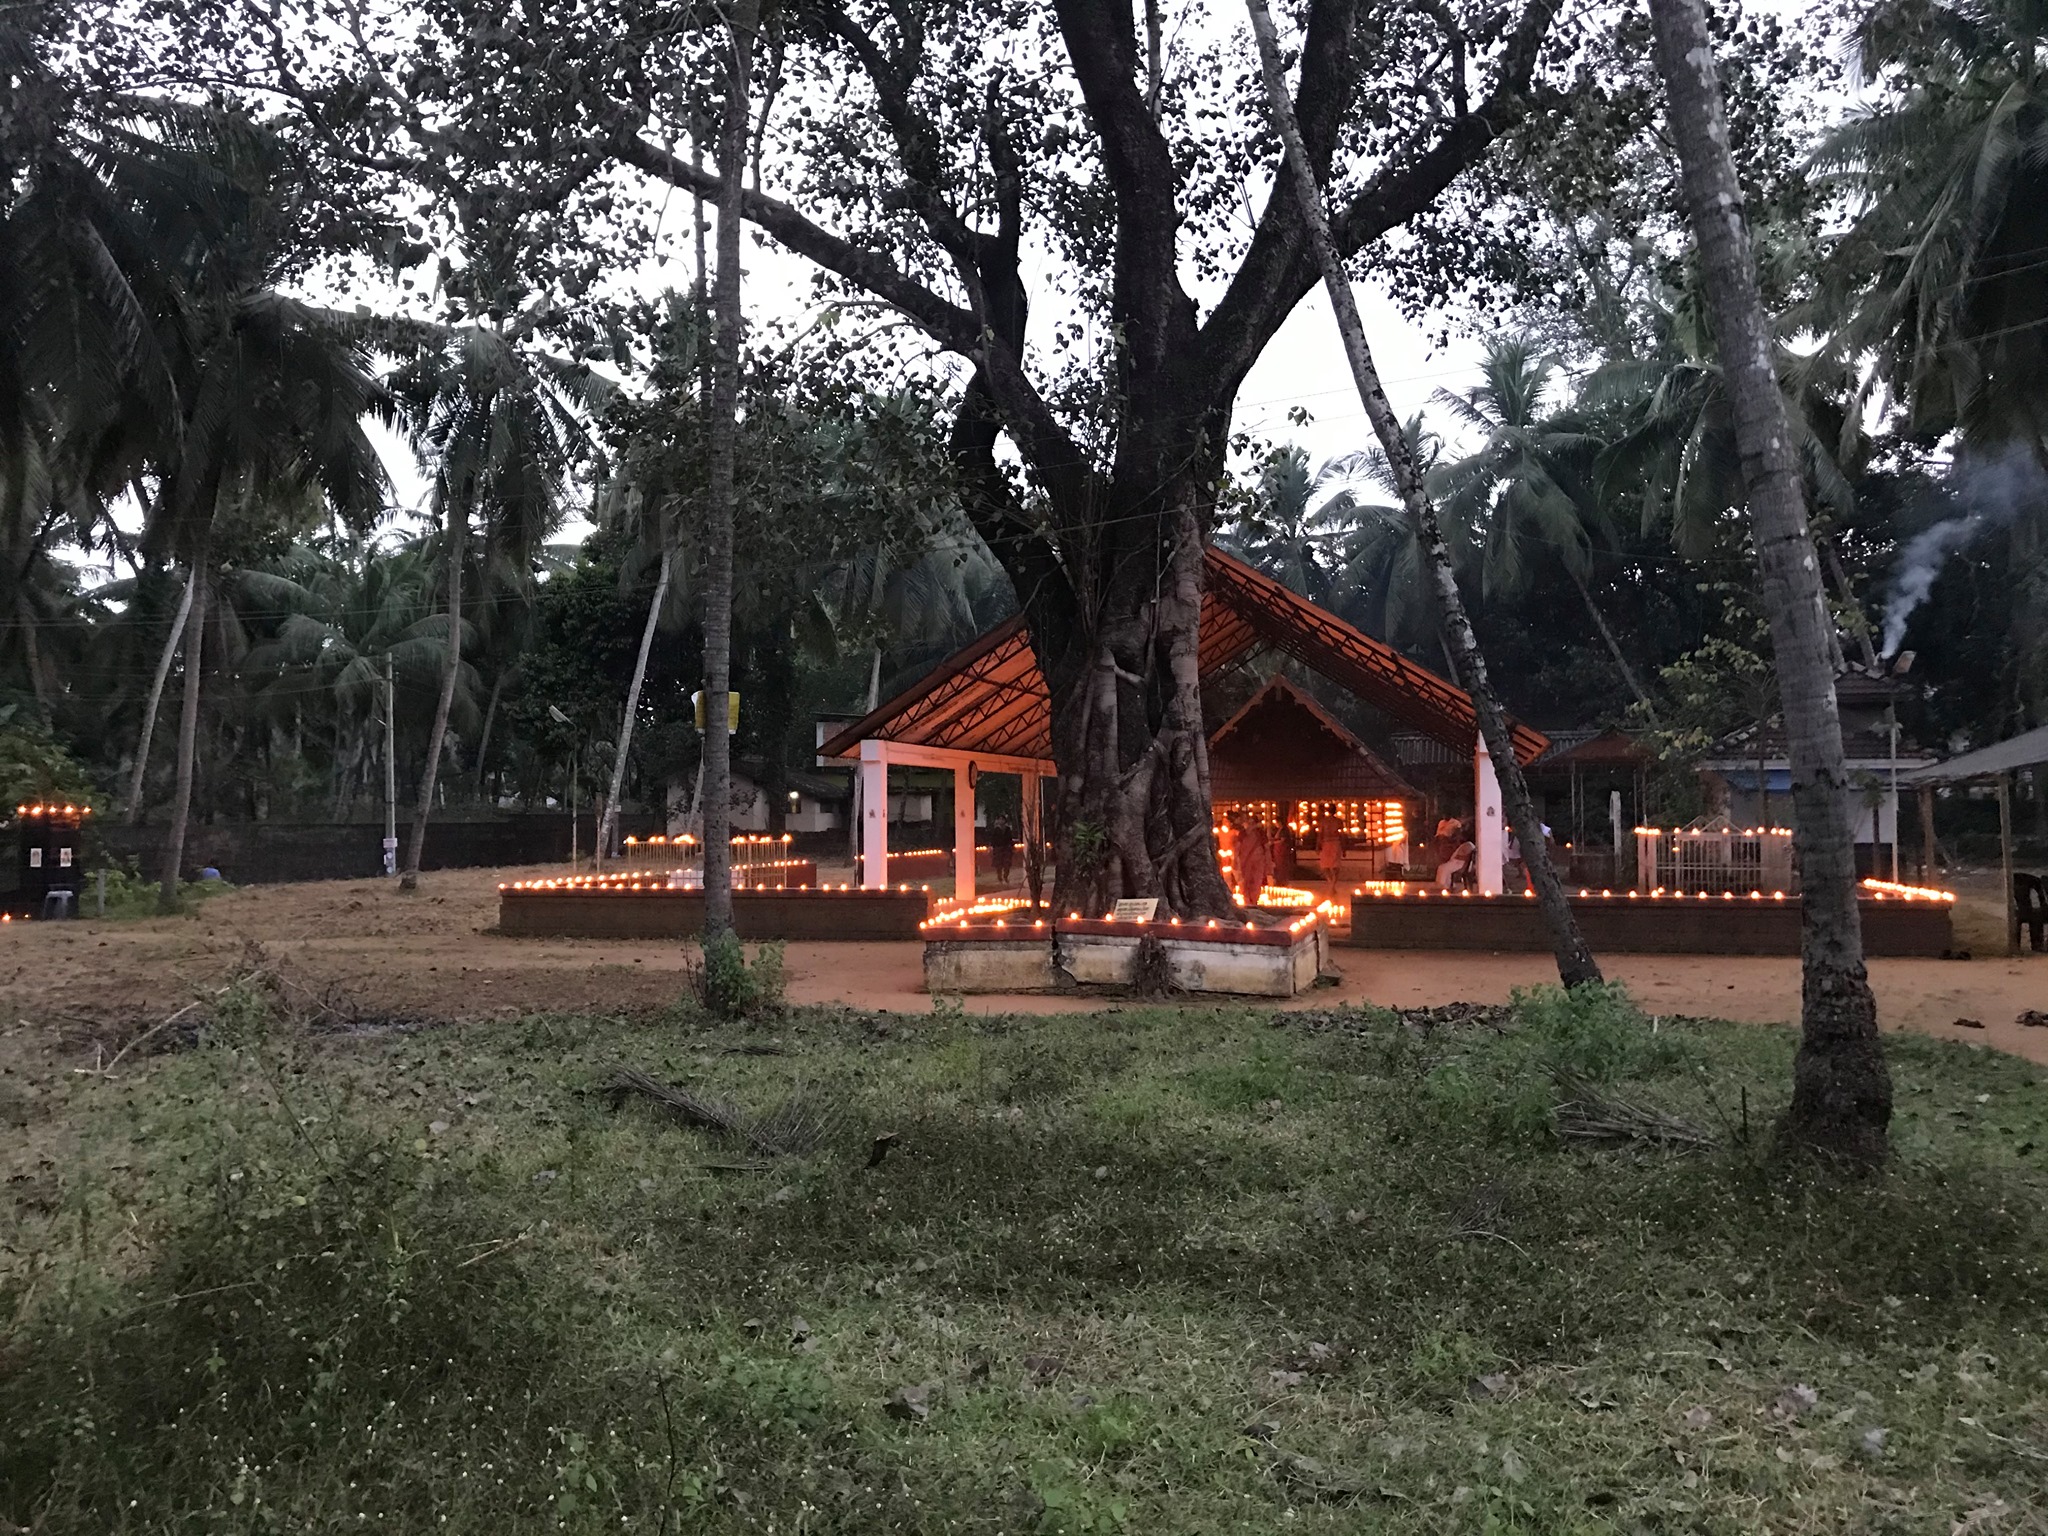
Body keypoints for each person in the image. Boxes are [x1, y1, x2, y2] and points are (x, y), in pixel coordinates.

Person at [1239, 814, 1273, 906]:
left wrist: (1268, 862)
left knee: (1256, 881)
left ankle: (1253, 901)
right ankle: (1248, 901)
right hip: (1246, 860)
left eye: (1252, 823)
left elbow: (1266, 848)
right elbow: (1238, 847)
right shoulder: (1243, 833)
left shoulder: (1260, 833)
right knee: (1247, 881)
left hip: (1258, 860)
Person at [1317, 811, 1343, 893]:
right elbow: (1342, 835)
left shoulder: (1323, 821)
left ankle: (1331, 885)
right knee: (1334, 866)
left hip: (1327, 843)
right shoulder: (1338, 821)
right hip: (1335, 843)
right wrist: (1344, 847)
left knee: (1326, 866)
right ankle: (1332, 885)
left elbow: (1320, 834)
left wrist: (1317, 846)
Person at [990, 815, 1016, 885]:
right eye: (1000, 819)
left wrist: (1012, 847)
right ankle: (999, 878)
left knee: (1007, 864)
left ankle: (1006, 877)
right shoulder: (996, 830)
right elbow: (993, 839)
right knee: (999, 865)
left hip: (1006, 849)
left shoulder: (1007, 829)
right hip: (998, 849)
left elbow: (1010, 839)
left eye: (1002, 819)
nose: (1001, 821)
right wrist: (993, 847)